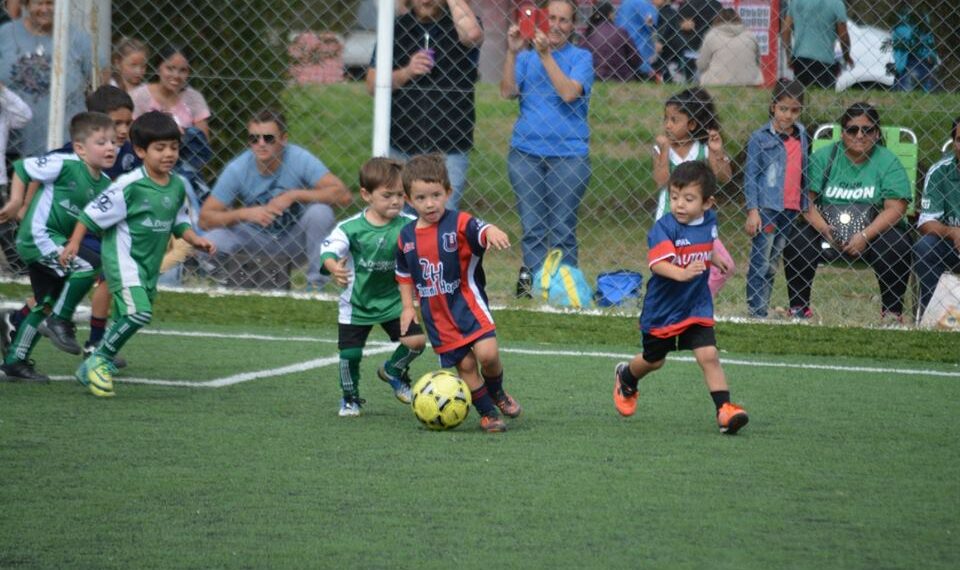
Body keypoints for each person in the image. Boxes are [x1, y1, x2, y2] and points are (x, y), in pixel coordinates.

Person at [67, 111, 215, 398]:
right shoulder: (129, 185)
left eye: (173, 147)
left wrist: (195, 239)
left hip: (148, 265)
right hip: (124, 261)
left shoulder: (176, 185)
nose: (169, 154)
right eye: (160, 148)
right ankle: (98, 359)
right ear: (139, 151)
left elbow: (179, 220)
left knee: (134, 316)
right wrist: (74, 244)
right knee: (139, 312)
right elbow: (90, 214)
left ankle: (97, 361)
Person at [0, 86, 141, 361]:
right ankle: (88, 339)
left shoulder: (120, 159)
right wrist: (22, 203)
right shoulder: (73, 156)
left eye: (127, 123)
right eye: (115, 124)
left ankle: (16, 349)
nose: (120, 133)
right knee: (91, 268)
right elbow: (32, 170)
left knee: (48, 299)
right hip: (47, 235)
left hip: (75, 231)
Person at [612, 161, 747, 435]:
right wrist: (684, 274)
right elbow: (658, 265)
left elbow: (706, 243)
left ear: (708, 203)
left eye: (688, 198)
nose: (679, 205)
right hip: (663, 309)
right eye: (674, 197)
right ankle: (626, 377)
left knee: (708, 355)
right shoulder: (664, 228)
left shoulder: (709, 220)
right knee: (654, 361)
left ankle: (724, 410)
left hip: (695, 304)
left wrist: (714, 256)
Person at [395, 154, 521, 433]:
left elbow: (480, 228)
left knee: (487, 355)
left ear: (448, 193)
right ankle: (487, 412)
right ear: (408, 199)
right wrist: (407, 307)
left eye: (436, 195)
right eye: (421, 197)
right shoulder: (406, 237)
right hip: (437, 316)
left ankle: (497, 392)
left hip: (468, 305)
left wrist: (492, 231)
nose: (430, 203)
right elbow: (403, 275)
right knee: (465, 365)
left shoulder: (459, 223)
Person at [783, 102, 913, 323]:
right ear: (842, 133)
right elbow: (805, 203)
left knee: (896, 243)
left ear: (876, 132)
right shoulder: (823, 158)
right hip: (827, 231)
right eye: (852, 129)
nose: (860, 135)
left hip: (872, 236)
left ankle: (892, 314)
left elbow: (896, 208)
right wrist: (825, 229)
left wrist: (864, 236)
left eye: (867, 129)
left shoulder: (888, 161)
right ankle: (799, 309)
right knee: (797, 239)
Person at [320, 157, 426, 417]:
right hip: (357, 303)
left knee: (416, 341)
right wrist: (334, 267)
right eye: (387, 195)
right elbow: (329, 250)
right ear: (366, 194)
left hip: (393, 301)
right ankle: (350, 398)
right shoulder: (351, 228)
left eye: (401, 195)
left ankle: (393, 371)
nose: (395, 201)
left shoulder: (408, 226)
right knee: (351, 353)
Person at [501, 0, 593, 297]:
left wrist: (546, 56)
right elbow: (507, 91)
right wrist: (513, 53)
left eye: (564, 20)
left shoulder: (581, 58)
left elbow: (568, 93)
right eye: (550, 17)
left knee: (563, 228)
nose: (556, 25)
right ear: (540, 20)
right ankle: (535, 285)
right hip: (526, 152)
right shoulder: (527, 58)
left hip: (568, 155)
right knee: (533, 227)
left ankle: (565, 288)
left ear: (572, 25)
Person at [199, 109, 351, 289]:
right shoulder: (238, 168)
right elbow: (205, 219)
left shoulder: (299, 158)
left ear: (283, 139)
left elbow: (343, 195)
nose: (261, 144)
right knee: (210, 241)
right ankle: (233, 285)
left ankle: (316, 287)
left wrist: (294, 195)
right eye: (254, 139)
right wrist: (245, 214)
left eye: (268, 138)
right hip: (254, 239)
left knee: (320, 213)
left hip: (293, 241)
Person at [364, 0, 483, 211]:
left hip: (450, 146)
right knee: (399, 218)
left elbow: (472, 35)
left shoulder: (460, 25)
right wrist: (407, 72)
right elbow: (372, 84)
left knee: (441, 219)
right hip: (402, 144)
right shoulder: (396, 28)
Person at [652, 87, 733, 296]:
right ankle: (675, 307)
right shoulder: (661, 149)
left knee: (724, 266)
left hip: (699, 225)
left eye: (674, 120)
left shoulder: (703, 149)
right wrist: (663, 152)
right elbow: (661, 182)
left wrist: (717, 152)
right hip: (669, 223)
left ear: (691, 124)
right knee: (671, 270)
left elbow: (724, 176)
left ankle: (697, 300)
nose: (667, 125)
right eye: (666, 119)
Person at [743, 79, 808, 318]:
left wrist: (803, 202)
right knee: (761, 260)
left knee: (773, 262)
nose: (788, 115)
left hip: (789, 209)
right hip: (767, 208)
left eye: (794, 110)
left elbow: (803, 170)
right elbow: (751, 176)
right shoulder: (760, 138)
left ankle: (763, 306)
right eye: (783, 109)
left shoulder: (802, 135)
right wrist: (753, 210)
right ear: (773, 107)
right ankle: (756, 310)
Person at [0, 0, 97, 157]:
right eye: (38, 3)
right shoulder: (5, 34)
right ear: (27, 4)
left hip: (66, 145)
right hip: (14, 146)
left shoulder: (78, 39)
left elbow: (99, 83)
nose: (45, 9)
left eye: (50, 3)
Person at [912, 117, 960, 317]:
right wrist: (952, 232)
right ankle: (931, 316)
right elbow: (925, 222)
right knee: (925, 246)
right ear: (954, 143)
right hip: (951, 245)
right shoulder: (940, 171)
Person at [130, 44, 210, 140]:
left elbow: (202, 142)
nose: (176, 75)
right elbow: (130, 136)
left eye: (183, 70)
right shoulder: (139, 95)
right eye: (170, 68)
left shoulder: (194, 98)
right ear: (158, 68)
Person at [781, 0, 853, 89]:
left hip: (800, 59)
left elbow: (785, 30)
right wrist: (846, 56)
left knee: (801, 96)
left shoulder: (796, 2)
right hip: (824, 62)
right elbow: (844, 36)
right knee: (824, 98)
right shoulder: (836, 3)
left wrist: (788, 55)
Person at [0, 81, 31, 274]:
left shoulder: (3, 110)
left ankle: (20, 267)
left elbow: (25, 115)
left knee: (5, 227)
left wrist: (3, 91)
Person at [696, 8, 762, 87]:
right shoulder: (750, 35)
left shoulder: (712, 35)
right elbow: (757, 60)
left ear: (717, 20)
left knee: (696, 73)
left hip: (718, 81)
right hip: (748, 80)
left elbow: (701, 65)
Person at [582, 2, 641, 82]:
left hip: (594, 76)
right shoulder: (621, 32)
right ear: (610, 14)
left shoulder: (588, 33)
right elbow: (636, 58)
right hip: (620, 77)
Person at [891, 7, 939, 93]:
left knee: (904, 92)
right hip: (925, 64)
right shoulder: (924, 26)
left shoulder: (901, 28)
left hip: (911, 65)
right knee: (927, 94)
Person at [676, 0, 721, 82]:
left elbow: (680, 25)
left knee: (690, 80)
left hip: (692, 48)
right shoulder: (717, 5)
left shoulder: (687, 5)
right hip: (709, 48)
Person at [614, 0, 657, 79]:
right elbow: (652, 23)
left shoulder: (624, 3)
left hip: (622, 49)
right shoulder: (644, 4)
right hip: (640, 51)